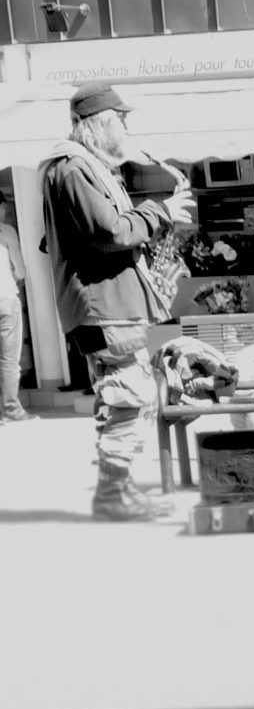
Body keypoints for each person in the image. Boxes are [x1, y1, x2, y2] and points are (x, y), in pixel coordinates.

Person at [39, 82, 196, 521]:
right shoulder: (73, 168)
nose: (127, 129)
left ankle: (118, 491)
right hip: (103, 307)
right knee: (131, 397)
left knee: (123, 398)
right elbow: (108, 232)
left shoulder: (83, 168)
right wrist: (160, 212)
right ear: (98, 125)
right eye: (121, 120)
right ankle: (112, 496)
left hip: (111, 304)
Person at [0, 190, 36, 425]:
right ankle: (11, 410)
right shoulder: (6, 231)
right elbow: (20, 271)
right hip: (4, 299)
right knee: (8, 358)